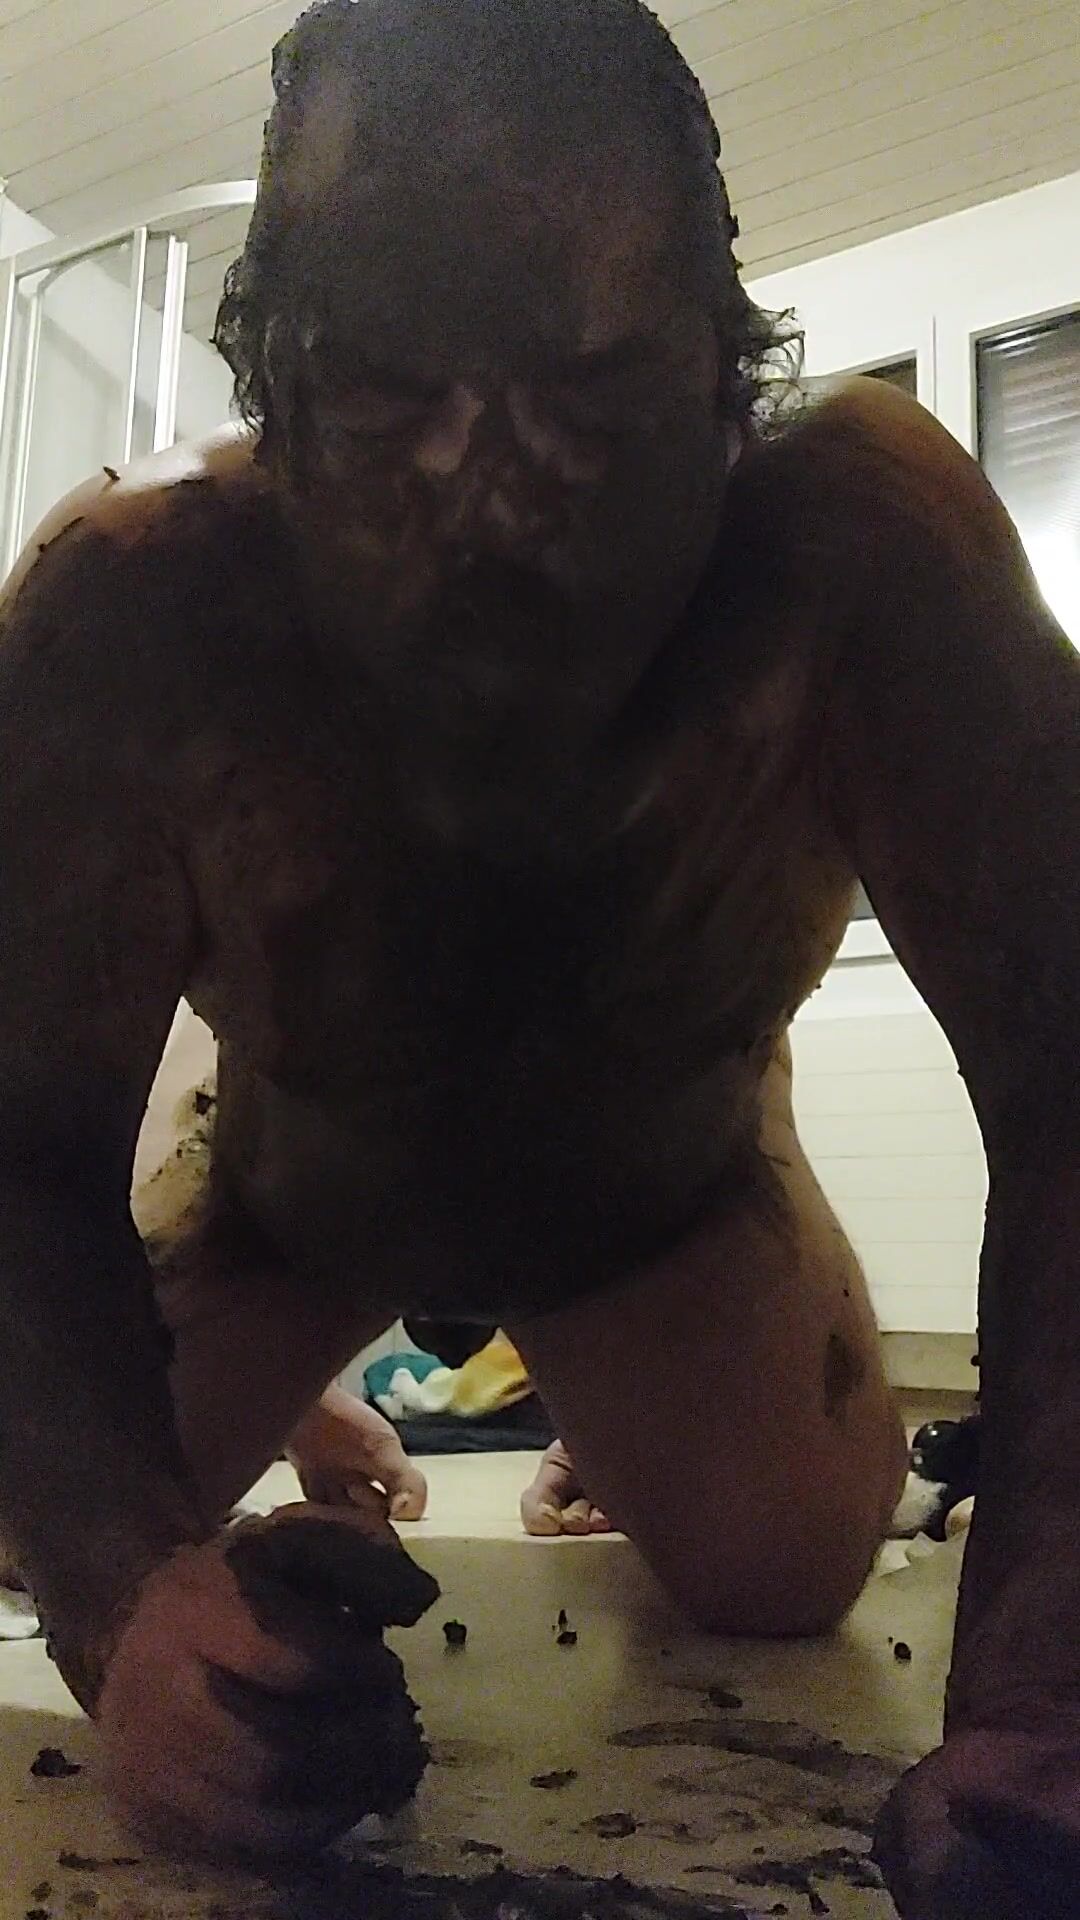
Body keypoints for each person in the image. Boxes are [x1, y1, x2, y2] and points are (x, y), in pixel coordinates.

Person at [0, 0, 1075, 1908]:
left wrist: (1047, 1691)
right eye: (384, 399)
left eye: (590, 400)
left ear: (726, 385)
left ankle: (614, 1360)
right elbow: (16, 1140)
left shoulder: (865, 552)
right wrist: (130, 1608)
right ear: (270, 396)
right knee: (32, 1531)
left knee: (780, 1576)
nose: (485, 512)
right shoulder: (137, 602)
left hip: (671, 1206)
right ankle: (330, 1402)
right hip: (283, 1203)